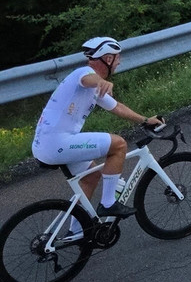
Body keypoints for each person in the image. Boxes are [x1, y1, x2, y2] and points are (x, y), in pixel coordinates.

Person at [32, 37, 164, 226]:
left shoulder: (95, 86)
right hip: (56, 144)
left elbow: (117, 107)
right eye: (118, 58)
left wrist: (146, 120)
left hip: (49, 144)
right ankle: (108, 204)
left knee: (91, 177)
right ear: (108, 59)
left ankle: (77, 231)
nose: (120, 62)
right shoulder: (86, 74)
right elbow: (87, 79)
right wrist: (101, 82)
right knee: (118, 145)